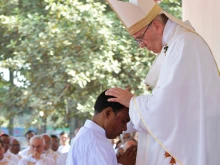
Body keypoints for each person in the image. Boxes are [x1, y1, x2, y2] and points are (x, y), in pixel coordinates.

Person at [105, 0, 220, 164]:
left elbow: (165, 106)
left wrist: (132, 101)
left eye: (140, 38)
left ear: (157, 26)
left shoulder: (183, 44)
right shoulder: (178, 42)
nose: (141, 46)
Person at [66, 90, 137, 165]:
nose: (125, 128)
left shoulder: (91, 137)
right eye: (123, 121)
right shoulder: (94, 143)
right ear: (108, 113)